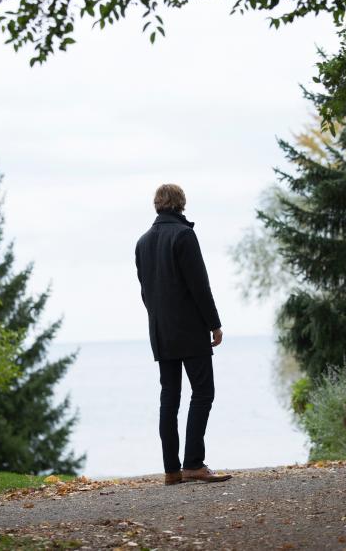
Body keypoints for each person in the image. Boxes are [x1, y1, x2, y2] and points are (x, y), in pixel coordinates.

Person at [135, 183, 232, 485]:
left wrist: (158, 322)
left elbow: (146, 291)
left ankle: (171, 470)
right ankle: (193, 463)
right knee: (203, 393)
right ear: (181, 205)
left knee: (170, 397)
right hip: (189, 329)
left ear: (157, 205)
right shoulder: (183, 235)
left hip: (161, 331)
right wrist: (214, 324)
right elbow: (199, 286)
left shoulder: (142, 243)